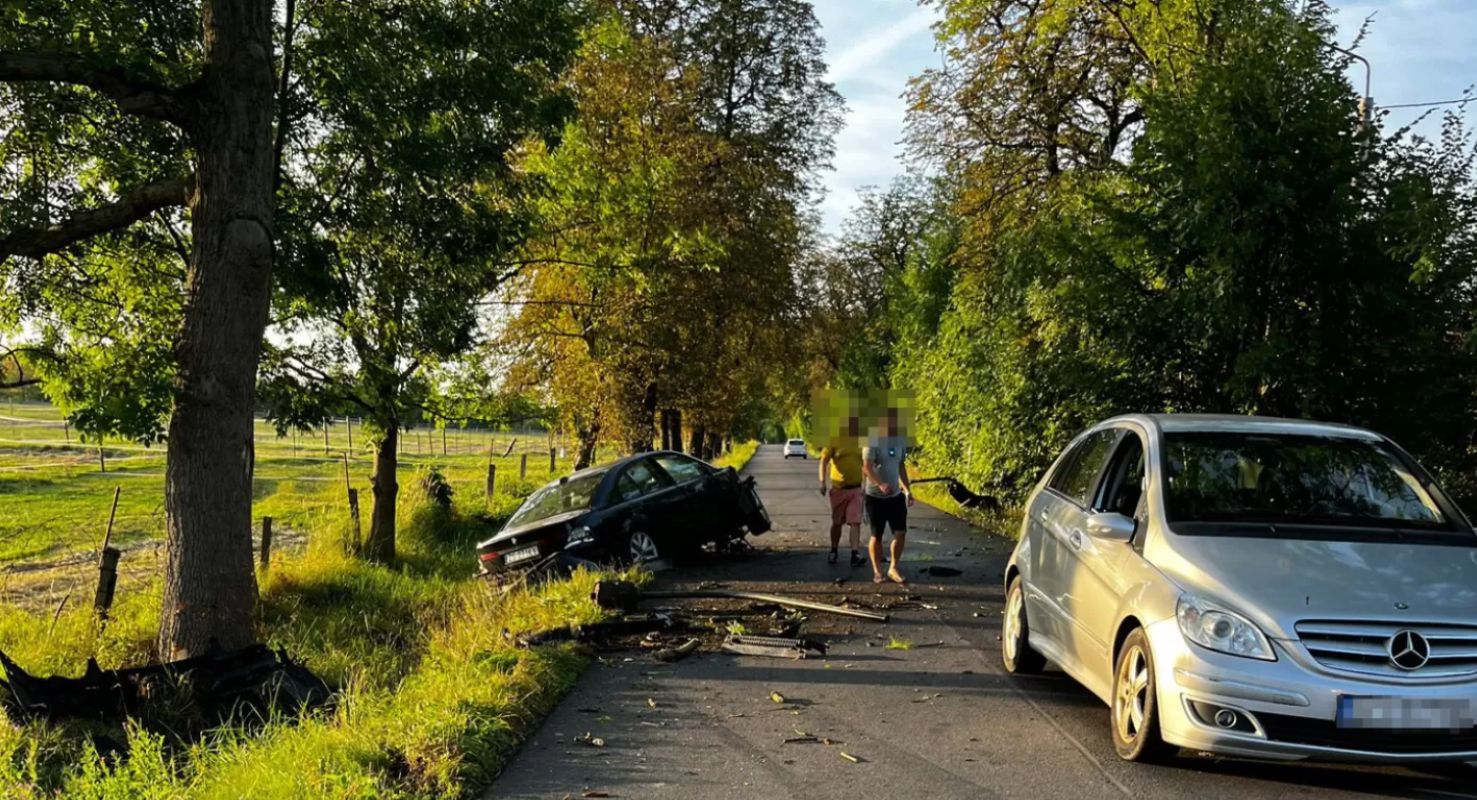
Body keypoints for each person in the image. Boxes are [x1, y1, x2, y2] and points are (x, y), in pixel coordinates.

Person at [863, 407, 912, 585]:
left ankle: (893, 567)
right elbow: (866, 468)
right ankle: (877, 571)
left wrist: (907, 490)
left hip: (895, 496)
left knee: (901, 532)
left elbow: (901, 466)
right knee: (877, 535)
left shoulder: (899, 441)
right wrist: (880, 484)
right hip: (875, 496)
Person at [818, 414, 867, 567]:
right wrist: (822, 482)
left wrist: (867, 484)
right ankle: (834, 550)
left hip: (856, 488)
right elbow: (823, 461)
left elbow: (866, 463)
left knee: (855, 522)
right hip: (838, 488)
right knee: (837, 522)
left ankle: (855, 554)